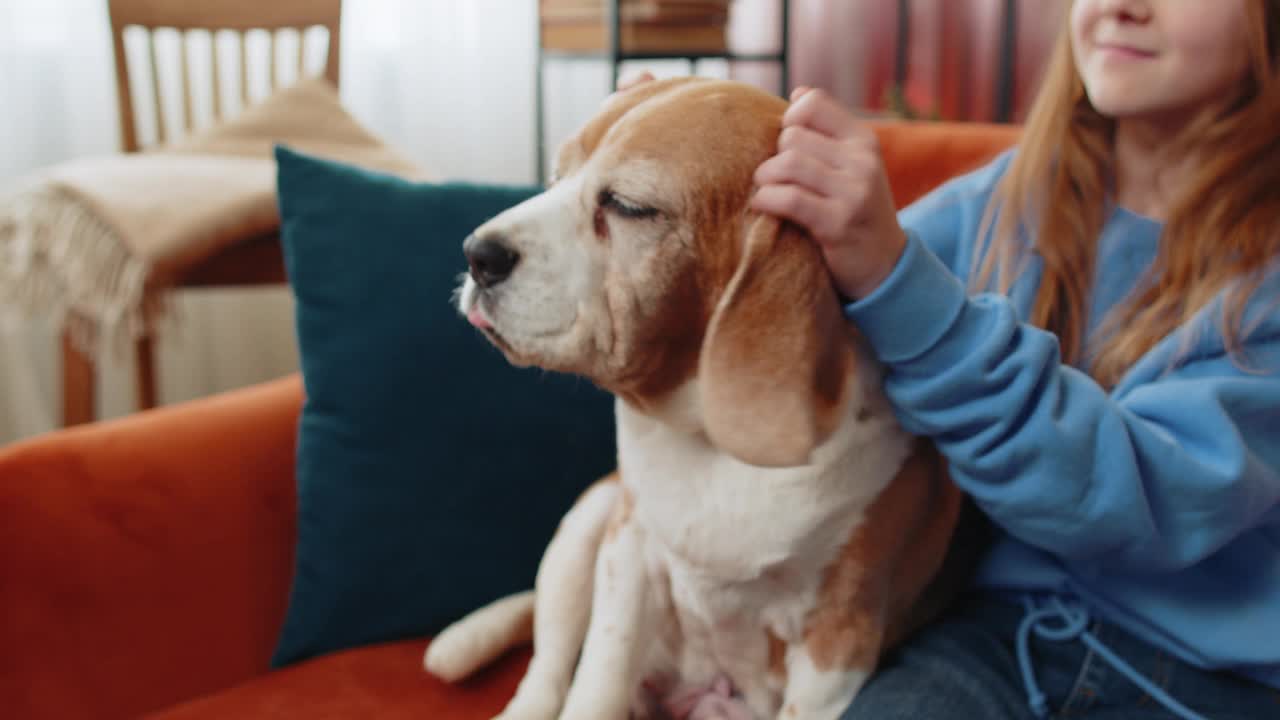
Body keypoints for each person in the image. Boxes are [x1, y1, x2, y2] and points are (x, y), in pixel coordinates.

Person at [745, 0, 1280, 717]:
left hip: (1206, 683)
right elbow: (804, 370)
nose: (1123, 6)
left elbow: (1127, 498)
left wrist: (898, 287)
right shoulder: (997, 203)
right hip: (984, 641)